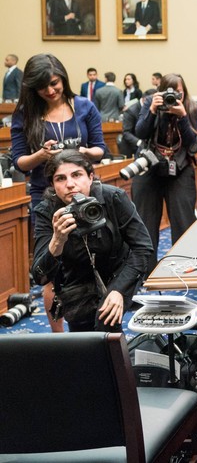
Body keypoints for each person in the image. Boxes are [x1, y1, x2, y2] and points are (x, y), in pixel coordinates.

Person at [11, 53, 107, 332]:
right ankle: (58, 339)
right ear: (33, 88)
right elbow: (19, 161)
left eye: (55, 83)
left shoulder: (84, 106)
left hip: (86, 195)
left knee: (92, 262)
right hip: (45, 197)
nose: (51, 91)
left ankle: (98, 331)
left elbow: (100, 149)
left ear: (63, 78)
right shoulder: (25, 114)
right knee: (52, 271)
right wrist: (41, 154)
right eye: (44, 87)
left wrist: (85, 152)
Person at [31, 150, 152, 332]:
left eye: (77, 175)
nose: (70, 184)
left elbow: (143, 248)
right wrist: (57, 241)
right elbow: (40, 276)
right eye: (60, 179)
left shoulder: (114, 198)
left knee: (105, 320)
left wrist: (119, 290)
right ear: (52, 185)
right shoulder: (47, 212)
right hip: (77, 280)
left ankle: (117, 358)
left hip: (119, 272)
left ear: (90, 177)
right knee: (82, 338)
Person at [133, 73, 197, 270]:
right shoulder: (149, 103)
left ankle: (185, 266)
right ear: (160, 91)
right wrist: (153, 110)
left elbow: (193, 144)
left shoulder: (192, 107)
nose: (174, 96)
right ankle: (145, 271)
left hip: (180, 168)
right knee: (145, 221)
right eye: (169, 92)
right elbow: (140, 132)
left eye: (178, 91)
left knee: (183, 221)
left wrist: (182, 118)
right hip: (150, 167)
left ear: (184, 91)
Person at [118, 89, 155, 157]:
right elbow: (126, 132)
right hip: (130, 149)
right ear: (145, 99)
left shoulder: (154, 109)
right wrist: (139, 142)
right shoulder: (131, 111)